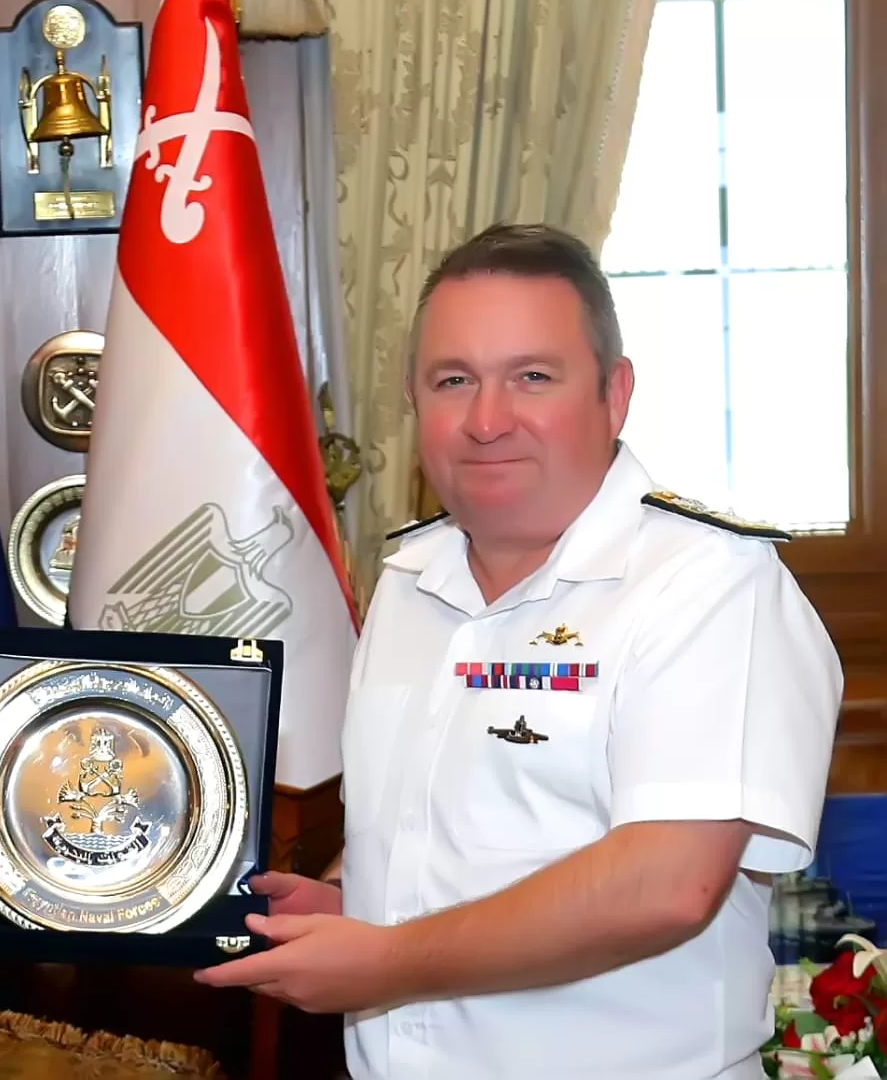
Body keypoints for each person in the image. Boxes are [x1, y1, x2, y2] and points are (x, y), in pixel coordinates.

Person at [196, 223, 843, 1079]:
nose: (486, 420)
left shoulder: (707, 582)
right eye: (452, 380)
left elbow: (666, 885)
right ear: (414, 400)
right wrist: (356, 903)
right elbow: (440, 820)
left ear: (613, 393)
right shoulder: (407, 579)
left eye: (531, 376)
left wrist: (387, 960)